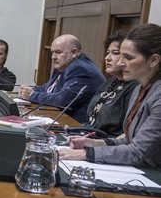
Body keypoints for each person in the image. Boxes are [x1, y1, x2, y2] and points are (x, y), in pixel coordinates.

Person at [60, 23, 161, 168]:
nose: (120, 63)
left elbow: (139, 152)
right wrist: (96, 143)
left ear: (153, 60)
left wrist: (87, 154)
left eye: (128, 57)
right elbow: (131, 140)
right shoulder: (140, 88)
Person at [18, 34, 105, 123]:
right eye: (52, 52)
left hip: (76, 125)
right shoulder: (65, 65)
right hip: (61, 119)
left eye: (58, 52)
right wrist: (30, 90)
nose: (53, 57)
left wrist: (32, 95)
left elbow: (61, 101)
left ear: (74, 53)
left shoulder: (80, 69)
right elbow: (47, 89)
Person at [83, 32, 139, 137]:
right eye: (108, 52)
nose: (107, 58)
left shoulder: (135, 87)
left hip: (108, 144)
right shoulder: (112, 81)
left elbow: (126, 132)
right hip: (88, 134)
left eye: (115, 53)